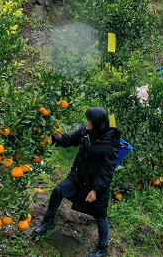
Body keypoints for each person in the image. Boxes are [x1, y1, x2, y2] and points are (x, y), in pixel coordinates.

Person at [32, 107, 120, 257]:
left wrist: (96, 190)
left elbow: (107, 170)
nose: (85, 121)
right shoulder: (85, 132)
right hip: (78, 177)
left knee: (100, 215)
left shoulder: (110, 144)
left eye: (89, 120)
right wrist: (50, 138)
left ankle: (102, 249)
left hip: (95, 184)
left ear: (97, 123)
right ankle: (48, 221)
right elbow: (68, 139)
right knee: (58, 190)